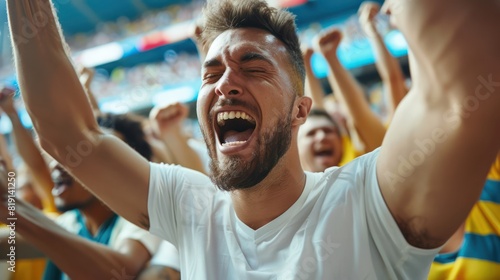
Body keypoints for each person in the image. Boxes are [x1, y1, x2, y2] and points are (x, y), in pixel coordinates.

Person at [6, 0, 500, 279]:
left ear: (300, 110)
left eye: (254, 66)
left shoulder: (373, 202)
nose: (224, 82)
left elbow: (462, 86)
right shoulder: (191, 207)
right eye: (211, 71)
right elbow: (68, 131)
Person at [0, 112, 164, 279]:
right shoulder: (70, 222)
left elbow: (119, 271)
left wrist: (11, 206)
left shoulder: (141, 221)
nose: (59, 163)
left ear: (126, 173)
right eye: (65, 152)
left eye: (83, 154)